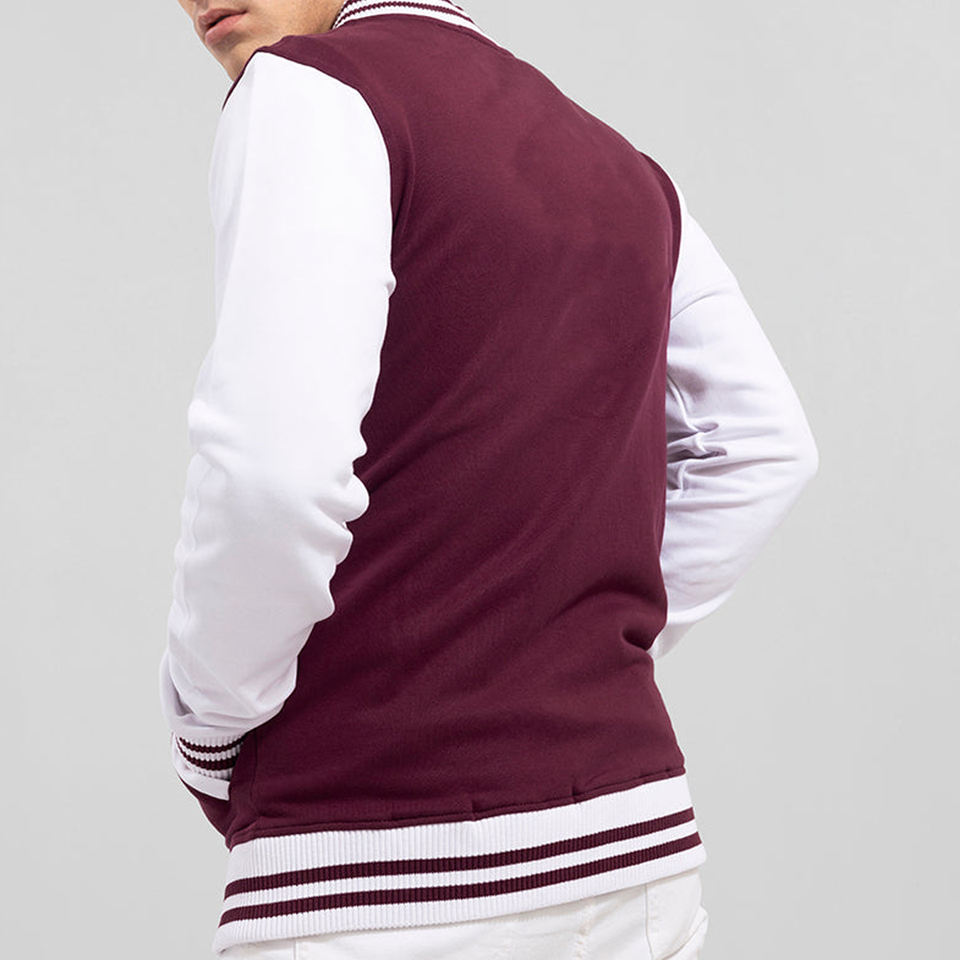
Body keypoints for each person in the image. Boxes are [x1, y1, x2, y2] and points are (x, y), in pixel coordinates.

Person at [159, 1, 819, 957]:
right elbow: (763, 443)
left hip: (383, 878)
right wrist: (566, 644)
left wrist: (210, 720)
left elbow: (273, 475)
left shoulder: (308, 89)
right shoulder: (619, 164)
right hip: (636, 862)